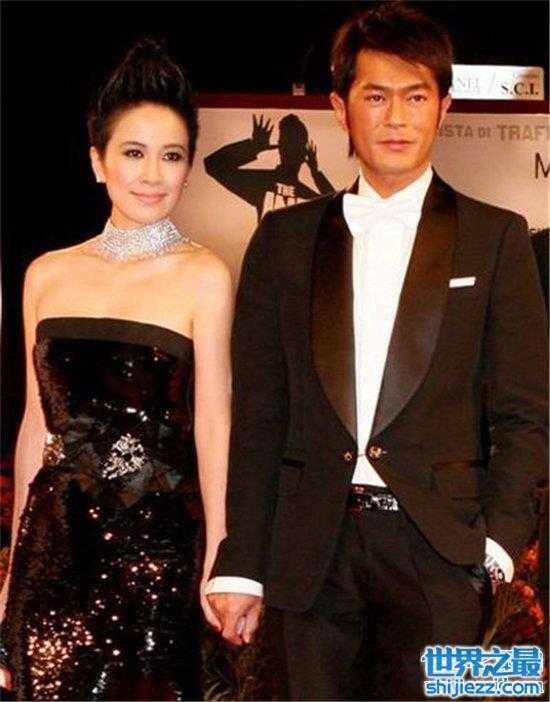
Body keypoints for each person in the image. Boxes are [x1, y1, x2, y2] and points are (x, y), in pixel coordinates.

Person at [206, 3, 548, 700]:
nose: (397, 118)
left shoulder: (496, 238)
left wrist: (497, 545)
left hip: (440, 552)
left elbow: (526, 411)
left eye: (416, 96)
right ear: (340, 107)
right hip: (309, 550)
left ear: (444, 107)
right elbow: (261, 413)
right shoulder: (283, 242)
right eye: (376, 96)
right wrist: (240, 562)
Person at [0, 38, 232, 701]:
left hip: (157, 551)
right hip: (54, 547)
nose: (152, 174)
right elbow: (36, 425)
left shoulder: (204, 275)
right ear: (97, 160)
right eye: (133, 153)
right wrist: (13, 573)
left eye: (172, 156)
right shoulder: (46, 274)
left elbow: (214, 422)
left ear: (189, 168)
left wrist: (221, 552)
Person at [204, 113, 334, 222]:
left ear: (303, 152)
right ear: (280, 147)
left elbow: (336, 210)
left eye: (295, 143)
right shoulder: (262, 182)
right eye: (287, 142)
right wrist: (253, 146)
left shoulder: (307, 196)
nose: (291, 149)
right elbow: (212, 164)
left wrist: (316, 173)